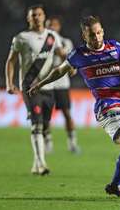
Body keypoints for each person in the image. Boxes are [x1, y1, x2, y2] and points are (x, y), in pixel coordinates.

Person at [28, 15, 120, 198]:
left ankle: (115, 185)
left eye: (98, 33)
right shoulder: (79, 55)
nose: (96, 38)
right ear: (84, 35)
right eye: (92, 35)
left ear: (102, 31)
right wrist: (40, 84)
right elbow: (59, 71)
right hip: (106, 106)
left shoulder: (115, 47)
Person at [5, 4, 66, 175]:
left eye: (39, 14)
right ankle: (41, 164)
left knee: (45, 126)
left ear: (44, 16)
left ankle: (36, 163)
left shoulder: (52, 37)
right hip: (30, 87)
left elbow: (62, 54)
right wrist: (9, 83)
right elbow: (11, 61)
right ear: (28, 18)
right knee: (36, 125)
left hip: (49, 87)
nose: (37, 18)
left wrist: (70, 64)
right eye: (33, 15)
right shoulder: (21, 38)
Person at [45, 16, 81, 154]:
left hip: (61, 83)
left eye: (54, 25)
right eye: (49, 25)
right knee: (45, 114)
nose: (51, 28)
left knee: (66, 113)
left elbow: (69, 61)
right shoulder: (42, 43)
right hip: (46, 84)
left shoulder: (66, 42)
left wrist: (58, 49)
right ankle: (48, 142)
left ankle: (72, 143)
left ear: (59, 27)